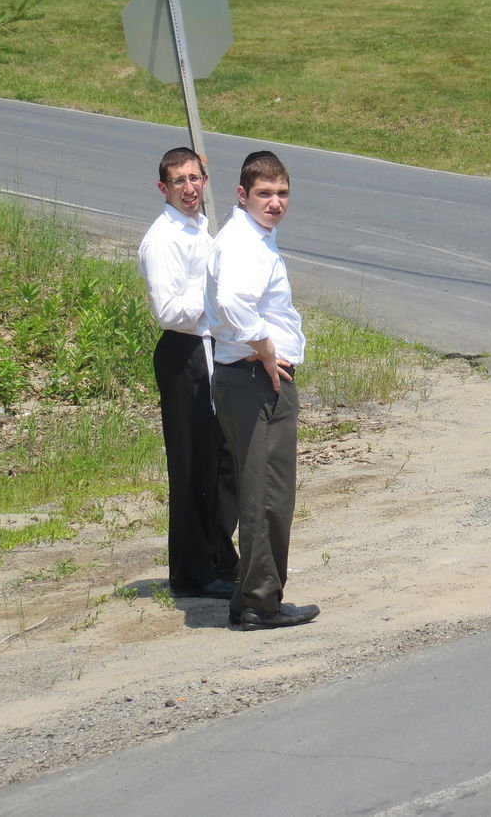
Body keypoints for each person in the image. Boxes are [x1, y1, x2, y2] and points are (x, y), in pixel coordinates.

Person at [205, 150, 319, 631]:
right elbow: (233, 300)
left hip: (248, 379)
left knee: (263, 493)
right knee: (267, 497)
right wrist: (267, 349)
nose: (275, 202)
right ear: (242, 194)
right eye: (264, 194)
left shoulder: (250, 237)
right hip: (257, 381)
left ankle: (251, 595)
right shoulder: (245, 243)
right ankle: (259, 602)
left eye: (282, 193)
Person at [137, 146, 238, 599]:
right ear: (164, 188)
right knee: (192, 465)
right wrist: (213, 302)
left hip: (210, 349)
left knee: (221, 461)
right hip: (184, 356)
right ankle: (192, 573)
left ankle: (218, 556)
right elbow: (168, 311)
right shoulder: (164, 239)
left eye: (194, 179)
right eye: (179, 181)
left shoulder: (200, 229)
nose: (189, 188)